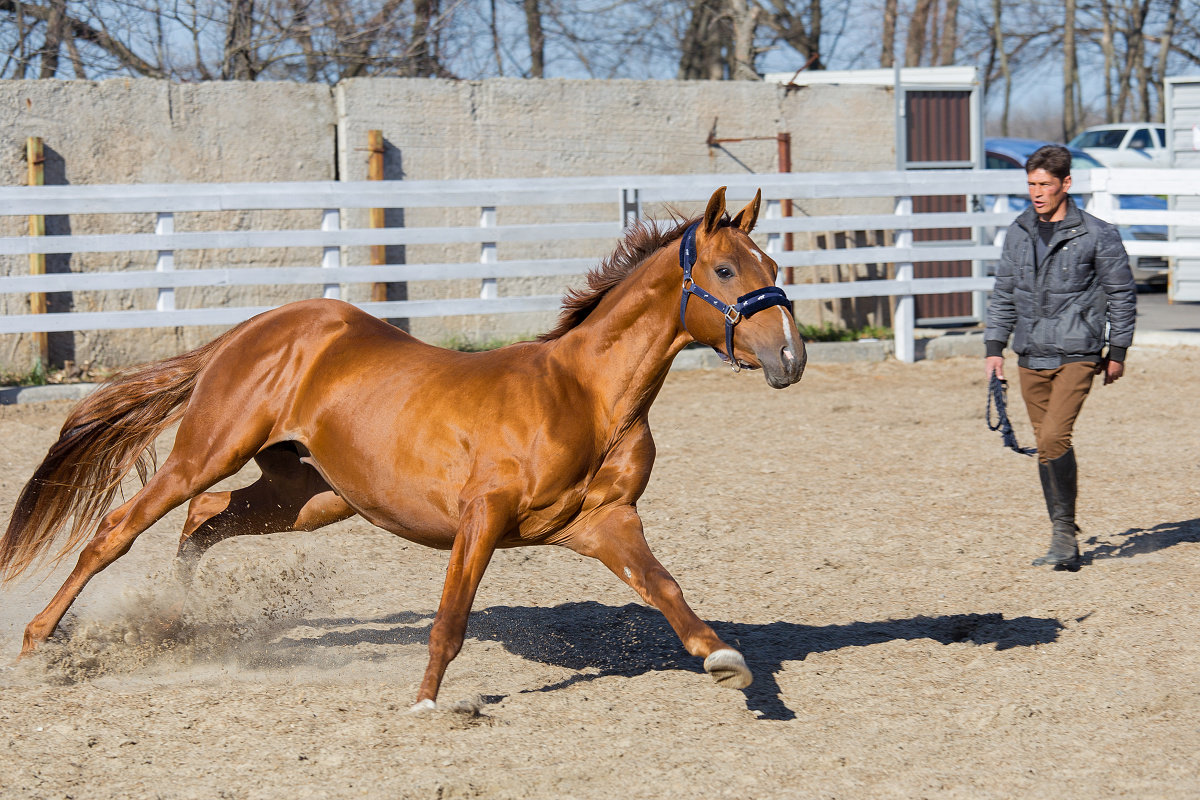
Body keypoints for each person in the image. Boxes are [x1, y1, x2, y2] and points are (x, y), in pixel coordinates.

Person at [984, 144, 1136, 570]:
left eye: (1044, 185)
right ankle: (1063, 536)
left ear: (1065, 183)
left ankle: (1063, 535)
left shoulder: (1097, 233)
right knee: (1047, 447)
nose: (1036, 192)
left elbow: (1122, 295)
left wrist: (1118, 349)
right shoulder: (1018, 231)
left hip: (1078, 352)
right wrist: (994, 347)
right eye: (1031, 184)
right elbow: (1004, 294)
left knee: (1053, 439)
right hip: (1030, 353)